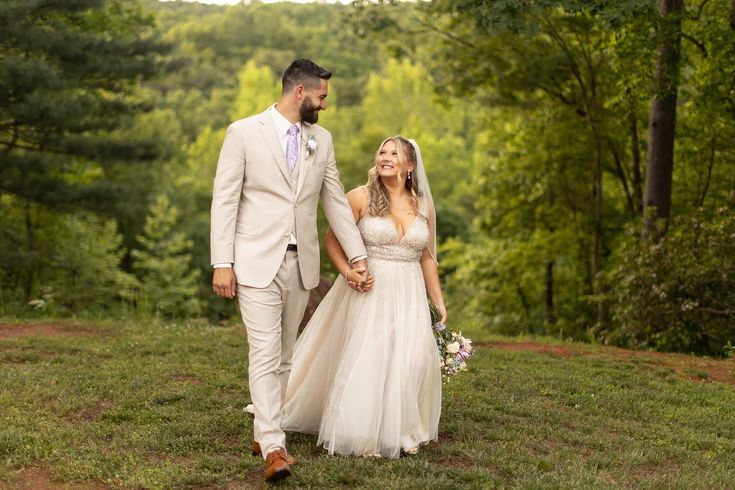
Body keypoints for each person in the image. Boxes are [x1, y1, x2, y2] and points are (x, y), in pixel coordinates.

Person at [210, 59, 371, 482]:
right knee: (264, 351)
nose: (324, 105)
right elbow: (225, 201)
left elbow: (334, 201)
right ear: (299, 92)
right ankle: (274, 446)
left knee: (284, 355)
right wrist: (221, 262)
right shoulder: (243, 133)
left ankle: (265, 429)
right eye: (321, 97)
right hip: (253, 262)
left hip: (303, 263)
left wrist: (358, 256)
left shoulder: (323, 140)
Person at [281, 136, 447, 458]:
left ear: (410, 165)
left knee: (412, 358)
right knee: (371, 355)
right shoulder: (360, 197)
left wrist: (437, 300)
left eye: (394, 154)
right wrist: (347, 272)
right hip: (369, 288)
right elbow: (333, 240)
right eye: (382, 152)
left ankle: (402, 428)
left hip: (409, 290)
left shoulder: (424, 206)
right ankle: (361, 434)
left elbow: (427, 257)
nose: (385, 157)